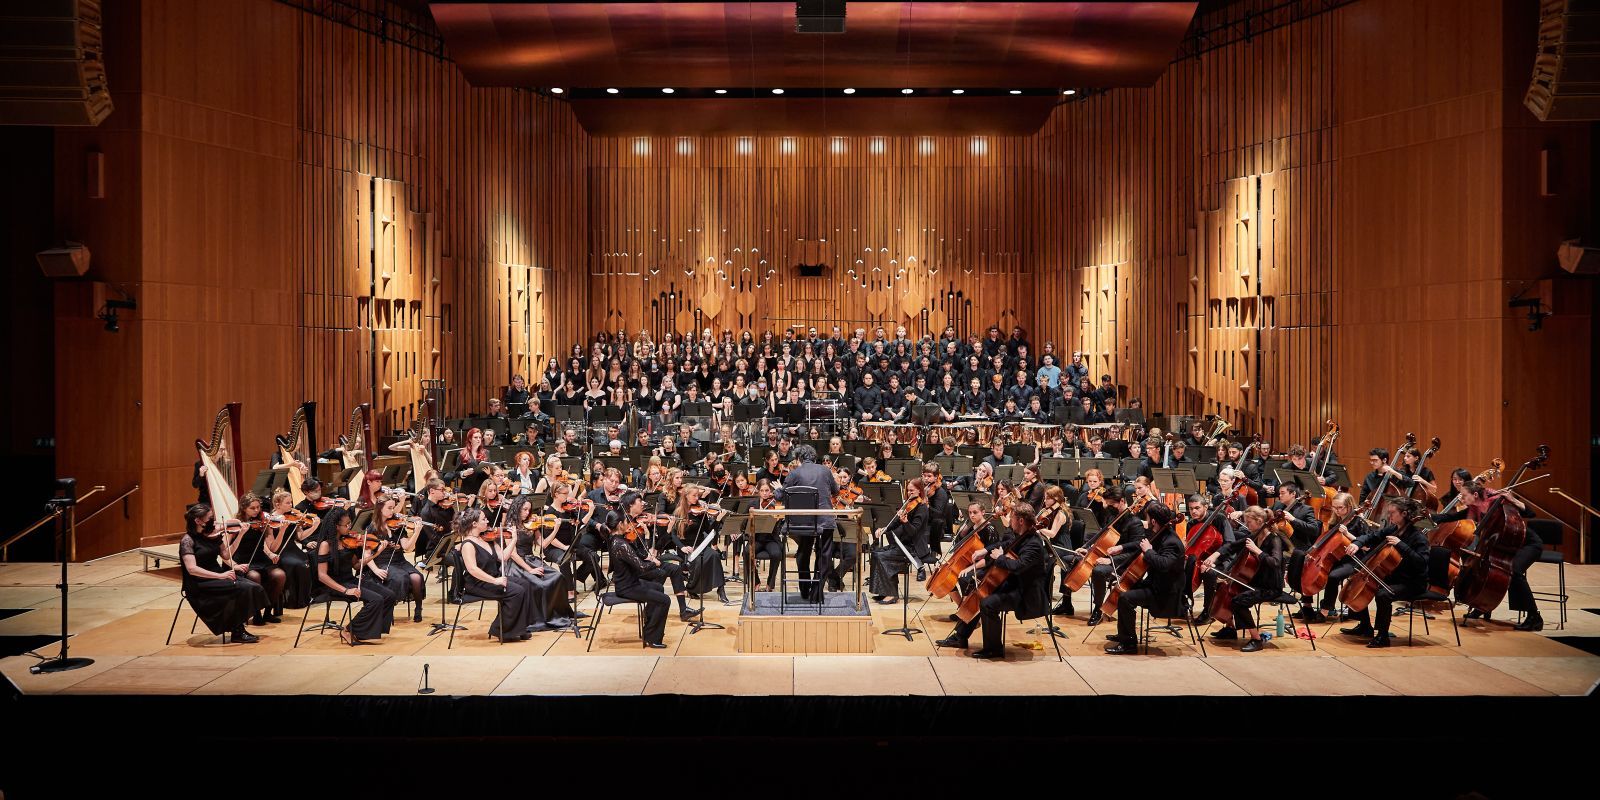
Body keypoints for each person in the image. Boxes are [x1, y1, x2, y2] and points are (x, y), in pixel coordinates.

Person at [933, 503, 1051, 659]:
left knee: (987, 603)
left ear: (1021, 521)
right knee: (979, 592)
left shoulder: (1034, 543)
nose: (1010, 521)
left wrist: (999, 558)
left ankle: (993, 648)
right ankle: (960, 637)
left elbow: (1018, 566)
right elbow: (1005, 544)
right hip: (1014, 584)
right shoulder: (1023, 535)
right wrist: (985, 550)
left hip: (1026, 593)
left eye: (1013, 518)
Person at [1433, 480, 1542, 629]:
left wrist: (1513, 499)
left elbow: (1530, 513)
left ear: (1475, 494)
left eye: (1464, 495)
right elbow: (1450, 517)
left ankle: (1534, 617)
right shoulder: (1474, 509)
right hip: (1503, 545)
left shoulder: (1499, 503)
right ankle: (1482, 606)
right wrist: (1429, 518)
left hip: (1527, 543)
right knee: (1486, 570)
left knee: (1514, 571)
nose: (1461, 499)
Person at [1104, 485, 1187, 655]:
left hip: (1165, 593)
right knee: (1123, 590)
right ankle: (1124, 634)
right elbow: (1140, 544)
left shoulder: (1171, 541)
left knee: (1126, 598)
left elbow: (1163, 564)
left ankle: (1129, 644)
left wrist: (1148, 551)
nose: (1147, 522)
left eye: (1148, 519)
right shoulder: (1160, 534)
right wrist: (1121, 549)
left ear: (1154, 521)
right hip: (1155, 585)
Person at [1202, 506, 1289, 653]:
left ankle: (1256, 639)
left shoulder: (1274, 540)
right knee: (1225, 589)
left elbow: (1275, 562)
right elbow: (1231, 546)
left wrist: (1257, 551)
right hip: (1255, 581)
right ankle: (1230, 628)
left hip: (1271, 586)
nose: (1246, 525)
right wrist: (1214, 556)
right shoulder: (1254, 535)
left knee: (1238, 601)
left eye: (1249, 522)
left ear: (1260, 521)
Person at [179, 504, 267, 644]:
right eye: (210, 518)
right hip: (199, 583)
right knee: (241, 589)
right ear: (198, 521)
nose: (214, 521)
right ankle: (237, 631)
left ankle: (237, 628)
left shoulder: (213, 535)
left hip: (218, 574)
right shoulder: (188, 541)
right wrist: (221, 576)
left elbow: (227, 555)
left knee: (253, 587)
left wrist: (240, 535)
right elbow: (192, 569)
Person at [313, 508, 397, 645]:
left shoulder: (348, 542)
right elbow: (322, 576)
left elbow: (357, 566)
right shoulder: (325, 545)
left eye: (350, 523)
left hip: (350, 580)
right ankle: (348, 630)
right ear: (336, 526)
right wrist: (346, 591)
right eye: (346, 525)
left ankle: (367, 631)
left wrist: (376, 553)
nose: (349, 527)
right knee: (376, 599)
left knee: (389, 595)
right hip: (335, 585)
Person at [455, 508, 538, 641]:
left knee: (525, 584)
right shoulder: (468, 544)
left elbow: (504, 557)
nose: (487, 521)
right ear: (474, 524)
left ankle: (519, 628)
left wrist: (514, 540)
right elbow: (472, 570)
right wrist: (495, 581)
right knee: (517, 591)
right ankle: (500, 630)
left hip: (493, 578)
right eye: (484, 519)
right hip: (478, 583)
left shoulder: (488, 538)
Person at [607, 493, 674, 648]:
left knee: (659, 587)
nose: (628, 523)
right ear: (619, 525)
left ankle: (648, 630)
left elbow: (636, 557)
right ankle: (653, 638)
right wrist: (655, 563)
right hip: (627, 587)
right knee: (665, 600)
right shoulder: (620, 544)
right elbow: (642, 567)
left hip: (630, 582)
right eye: (625, 522)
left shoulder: (617, 540)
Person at [776, 444, 840, 602]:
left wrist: (777, 489)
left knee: (803, 553)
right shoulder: (825, 470)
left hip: (803, 522)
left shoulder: (794, 473)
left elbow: (781, 496)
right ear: (814, 457)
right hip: (825, 519)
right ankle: (816, 593)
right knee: (824, 555)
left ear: (799, 458)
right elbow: (836, 491)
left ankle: (804, 589)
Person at [869, 481, 931, 604]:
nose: (909, 493)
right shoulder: (908, 504)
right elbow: (895, 522)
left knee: (883, 557)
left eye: (912, 490)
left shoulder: (922, 508)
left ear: (920, 491)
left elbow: (913, 532)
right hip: (902, 545)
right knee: (876, 553)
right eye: (908, 490)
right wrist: (884, 529)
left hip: (913, 549)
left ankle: (892, 594)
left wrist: (906, 522)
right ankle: (883, 591)